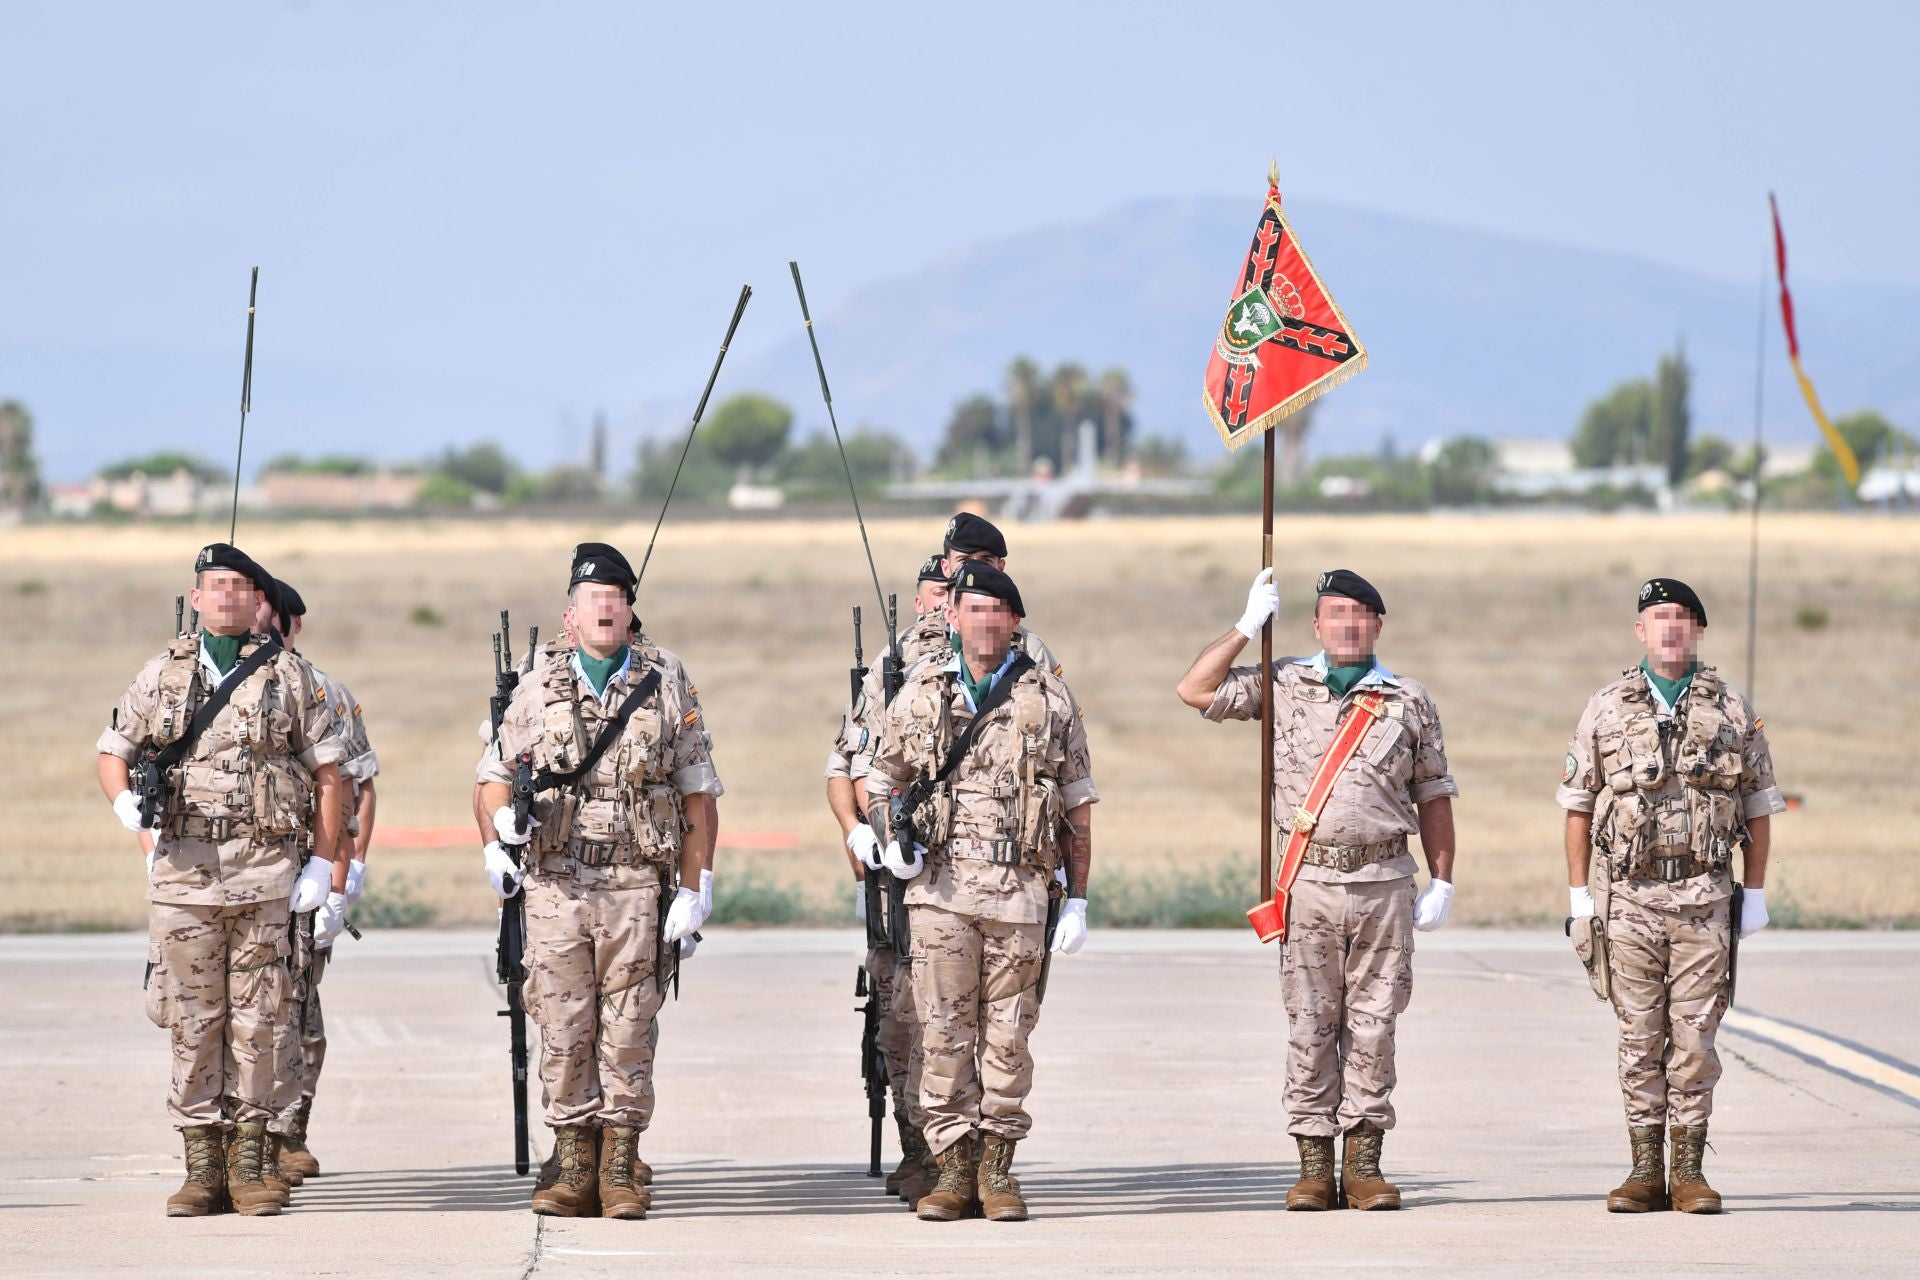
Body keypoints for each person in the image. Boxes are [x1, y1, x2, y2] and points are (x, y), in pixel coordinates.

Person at [1175, 568, 1458, 1211]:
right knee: (1310, 1024)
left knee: (1375, 1025)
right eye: (1334, 613)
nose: (1347, 625)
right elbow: (1195, 689)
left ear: (1378, 625)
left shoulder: (1408, 699)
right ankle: (1313, 1165)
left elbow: (1434, 792)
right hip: (1308, 884)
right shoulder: (1282, 683)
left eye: (1359, 615)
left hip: (1384, 880)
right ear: (1316, 625)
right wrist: (1246, 626)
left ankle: (1364, 1166)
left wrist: (1442, 878)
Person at [95, 543, 347, 1217]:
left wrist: (322, 865)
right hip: (183, 877)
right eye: (216, 584)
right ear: (196, 597)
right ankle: (202, 1166)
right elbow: (114, 751)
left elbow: (329, 775)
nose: (228, 595)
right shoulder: (160, 673)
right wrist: (126, 807)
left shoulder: (291, 676)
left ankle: (252, 1163)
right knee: (192, 1019)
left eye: (240, 585)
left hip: (265, 876)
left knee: (260, 1021)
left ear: (257, 599)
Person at [476, 542, 719, 1219]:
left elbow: (698, 792)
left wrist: (695, 887)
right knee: (562, 1026)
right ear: (570, 616)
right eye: (593, 600)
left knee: (630, 1026)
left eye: (616, 599)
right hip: (556, 884)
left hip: (636, 883)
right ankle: (573, 1161)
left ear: (631, 612)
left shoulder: (665, 682)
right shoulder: (535, 686)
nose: (606, 609)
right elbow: (493, 777)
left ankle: (620, 1165)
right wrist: (498, 836)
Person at [867, 562, 1096, 1222]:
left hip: (1020, 895)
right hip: (939, 895)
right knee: (942, 1035)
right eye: (974, 609)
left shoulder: (1050, 700)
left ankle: (997, 1170)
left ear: (1015, 621)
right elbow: (880, 780)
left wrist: (1078, 898)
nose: (986, 621)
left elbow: (1078, 806)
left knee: (1008, 1038)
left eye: (998, 610)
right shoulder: (919, 694)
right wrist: (889, 839)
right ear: (953, 617)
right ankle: (952, 1170)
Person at [1557, 578, 1783, 1214]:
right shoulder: (1605, 708)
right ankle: (1642, 1171)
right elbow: (1578, 806)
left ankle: (1687, 1172)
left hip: (1704, 899)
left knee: (1695, 1041)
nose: (1670, 628)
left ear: (1697, 630)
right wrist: (1579, 898)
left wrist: (1755, 892)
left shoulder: (1731, 708)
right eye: (1658, 617)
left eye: (1681, 617)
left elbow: (1759, 805)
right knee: (1638, 1038)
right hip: (1628, 900)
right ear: (1640, 630)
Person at [825, 552, 949, 1204]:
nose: (942, 604)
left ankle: (962, 1155)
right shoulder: (891, 669)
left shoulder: (1021, 659)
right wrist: (859, 833)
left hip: (964, 873)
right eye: (935, 592)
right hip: (893, 881)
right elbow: (845, 766)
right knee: (900, 1017)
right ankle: (918, 1148)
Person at [265, 580, 379, 1183]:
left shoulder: (323, 692)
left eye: (268, 613)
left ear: (291, 624)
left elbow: (355, 789)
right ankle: (236, 1138)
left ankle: (288, 1132)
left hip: (303, 879)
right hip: (228, 878)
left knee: (298, 1012)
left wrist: (343, 877)